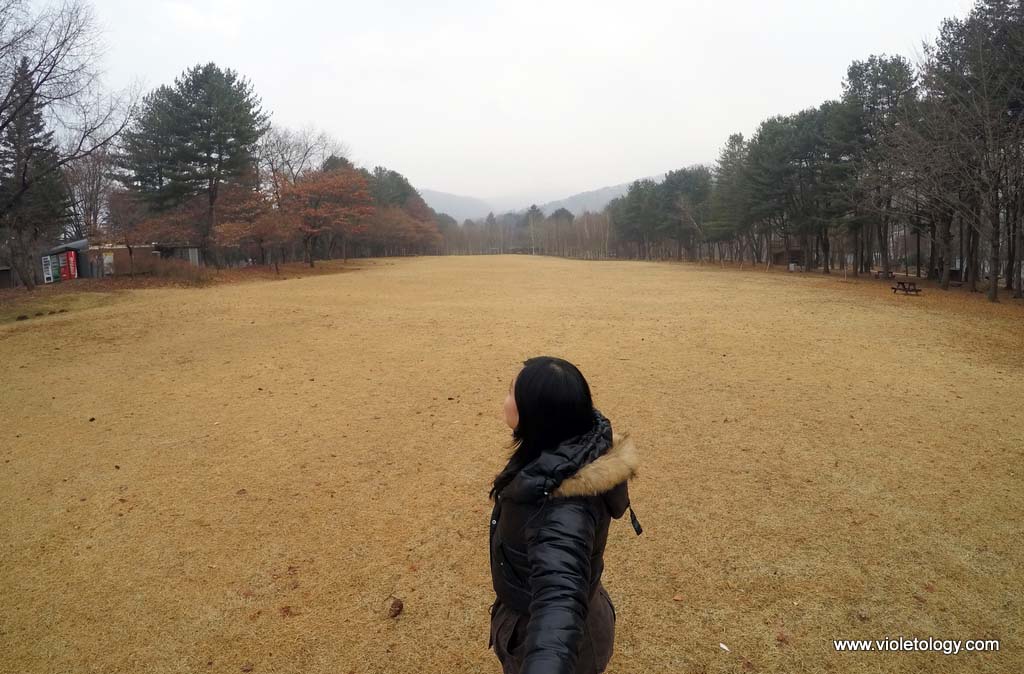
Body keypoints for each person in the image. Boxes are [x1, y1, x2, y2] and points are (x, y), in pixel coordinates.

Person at [488, 356, 642, 674]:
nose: (505, 398)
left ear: (535, 413)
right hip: (552, 614)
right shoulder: (569, 447)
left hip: (566, 642)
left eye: (511, 391)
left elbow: (558, 606)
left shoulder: (561, 511)